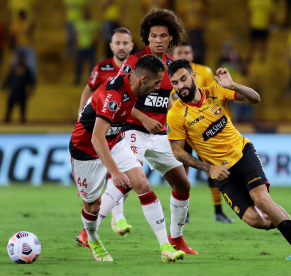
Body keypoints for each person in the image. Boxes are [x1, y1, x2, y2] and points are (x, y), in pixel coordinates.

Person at [166, 59, 291, 261]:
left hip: (243, 154)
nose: (180, 86)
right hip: (221, 172)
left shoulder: (216, 91)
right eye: (175, 83)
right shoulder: (176, 114)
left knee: (261, 199)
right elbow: (178, 153)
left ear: (193, 76)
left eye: (183, 79)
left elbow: (255, 98)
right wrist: (209, 168)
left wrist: (233, 86)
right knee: (254, 220)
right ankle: (289, 225)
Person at [96, 8, 197, 255]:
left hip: (159, 134)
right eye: (154, 36)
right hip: (132, 129)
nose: (159, 40)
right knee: (131, 180)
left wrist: (180, 120)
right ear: (147, 37)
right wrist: (142, 117)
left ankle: (176, 239)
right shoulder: (134, 62)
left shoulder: (173, 67)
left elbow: (167, 100)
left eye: (164, 36)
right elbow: (118, 96)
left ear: (171, 38)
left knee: (183, 184)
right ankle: (90, 227)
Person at [69, 54, 185, 262]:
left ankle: (165, 246)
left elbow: (127, 106)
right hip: (86, 149)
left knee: (141, 183)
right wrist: (115, 172)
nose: (159, 87)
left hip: (115, 141)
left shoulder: (134, 86)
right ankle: (92, 238)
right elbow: (97, 137)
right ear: (143, 80)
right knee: (93, 206)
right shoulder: (112, 97)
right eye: (157, 82)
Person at [75, 27, 134, 240]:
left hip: (126, 126)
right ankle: (115, 216)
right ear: (111, 46)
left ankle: (116, 216)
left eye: (125, 43)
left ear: (131, 45)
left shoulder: (135, 69)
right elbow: (88, 89)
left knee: (127, 173)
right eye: (117, 43)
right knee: (116, 172)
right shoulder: (101, 68)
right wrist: (81, 113)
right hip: (101, 127)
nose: (121, 47)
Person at [172, 42, 233, 224]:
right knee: (182, 173)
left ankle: (218, 211)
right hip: (181, 129)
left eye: (187, 51)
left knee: (212, 170)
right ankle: (184, 214)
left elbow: (212, 97)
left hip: (203, 130)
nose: (183, 54)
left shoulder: (204, 72)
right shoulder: (169, 76)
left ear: (192, 55)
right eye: (179, 52)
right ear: (173, 55)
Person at [2, 51, 35, 123]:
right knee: (9, 110)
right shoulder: (13, 69)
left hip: (22, 93)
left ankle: (23, 124)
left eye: (21, 58)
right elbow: (8, 79)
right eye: (19, 58)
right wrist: (4, 87)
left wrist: (30, 91)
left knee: (22, 111)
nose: (20, 60)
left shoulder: (26, 70)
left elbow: (31, 82)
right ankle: (7, 123)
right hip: (13, 92)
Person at [73, 8, 99, 85]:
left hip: (90, 47)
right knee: (79, 65)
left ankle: (92, 80)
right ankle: (78, 79)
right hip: (81, 47)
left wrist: (95, 40)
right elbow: (74, 33)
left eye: (88, 13)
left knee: (92, 65)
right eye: (85, 13)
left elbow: (99, 33)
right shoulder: (78, 23)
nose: (86, 15)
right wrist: (76, 42)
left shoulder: (93, 23)